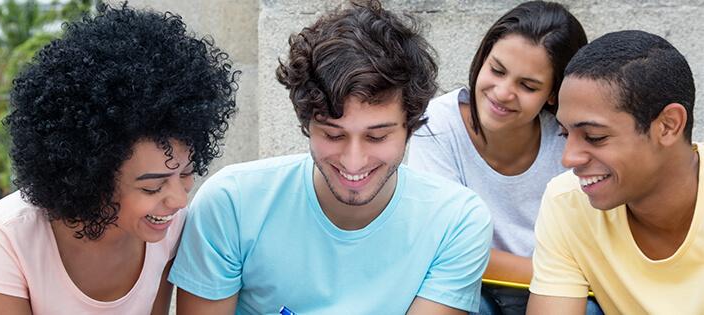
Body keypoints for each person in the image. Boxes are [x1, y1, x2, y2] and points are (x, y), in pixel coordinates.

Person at [168, 1, 492, 314]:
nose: (354, 161)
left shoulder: (457, 221)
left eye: (377, 136)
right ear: (306, 124)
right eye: (333, 135)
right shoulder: (231, 203)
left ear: (410, 126)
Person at [0, 3, 238, 314]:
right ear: (90, 178)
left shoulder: (170, 228)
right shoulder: (5, 234)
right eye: (152, 187)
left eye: (185, 173)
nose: (179, 201)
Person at [407, 1, 593, 314]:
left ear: (553, 93)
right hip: (470, 286)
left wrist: (563, 279)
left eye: (528, 85)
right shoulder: (437, 124)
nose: (503, 92)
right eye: (497, 70)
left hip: (553, 293)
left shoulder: (568, 139)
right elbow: (440, 246)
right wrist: (560, 273)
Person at [526, 30, 699, 314]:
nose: (568, 159)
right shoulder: (567, 202)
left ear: (668, 126)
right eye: (563, 133)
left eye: (594, 137)